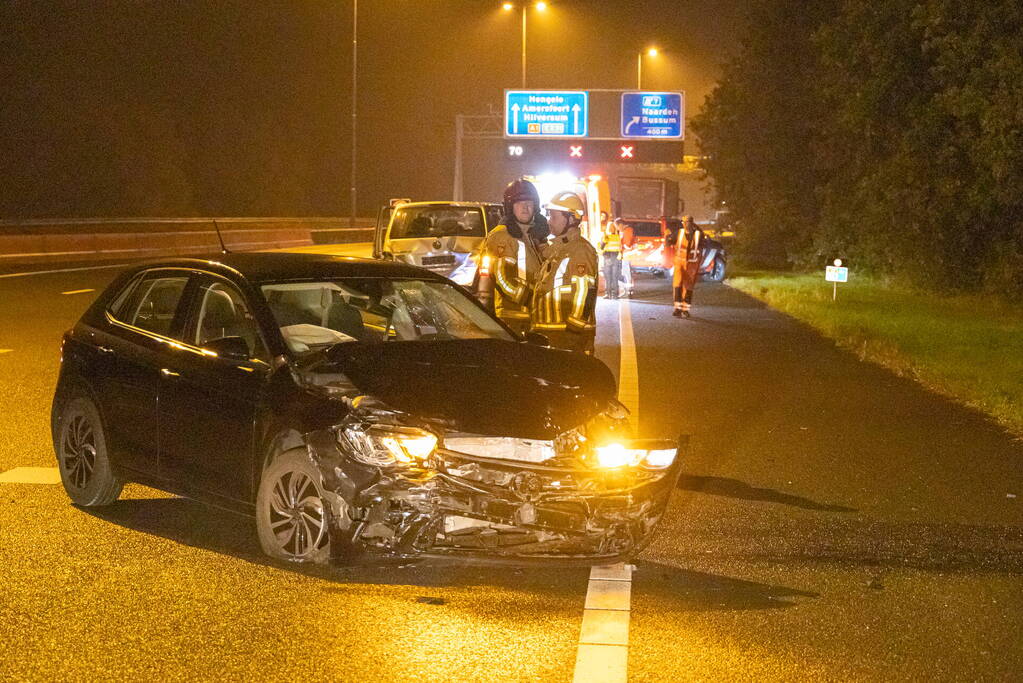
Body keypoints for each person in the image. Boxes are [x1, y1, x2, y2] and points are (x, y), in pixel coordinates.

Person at [478, 177, 550, 334]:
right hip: (514, 318)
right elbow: (503, 280)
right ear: (510, 208)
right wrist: (533, 299)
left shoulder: (533, 235)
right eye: (519, 203)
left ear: (535, 206)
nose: (525, 208)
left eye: (529, 203)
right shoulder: (502, 236)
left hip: (534, 317)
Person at [531, 191, 598, 353]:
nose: (549, 221)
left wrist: (573, 333)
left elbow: (585, 292)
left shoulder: (580, 250)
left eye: (553, 216)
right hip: (552, 333)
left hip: (567, 336)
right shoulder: (560, 249)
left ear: (570, 219)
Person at [666, 215, 704, 318]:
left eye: (689, 222)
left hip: (692, 264)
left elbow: (701, 247)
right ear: (683, 223)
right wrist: (667, 237)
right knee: (677, 285)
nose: (687, 224)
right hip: (679, 263)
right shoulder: (679, 233)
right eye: (685, 222)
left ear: (692, 223)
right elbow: (669, 242)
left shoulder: (698, 234)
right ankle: (677, 309)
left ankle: (685, 309)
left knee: (688, 287)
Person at [599, 220, 623, 299]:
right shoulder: (606, 236)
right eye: (610, 227)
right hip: (609, 257)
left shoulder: (616, 236)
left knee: (612, 276)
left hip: (612, 257)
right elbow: (600, 247)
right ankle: (610, 294)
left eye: (612, 227)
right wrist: (604, 241)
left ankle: (613, 294)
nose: (611, 229)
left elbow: (620, 247)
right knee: (610, 276)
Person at [616, 217, 636, 297]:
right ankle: (629, 290)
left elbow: (627, 244)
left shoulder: (627, 230)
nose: (617, 228)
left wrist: (622, 244)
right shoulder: (628, 230)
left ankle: (628, 291)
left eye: (617, 226)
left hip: (627, 254)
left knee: (626, 272)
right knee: (627, 272)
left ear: (621, 224)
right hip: (627, 254)